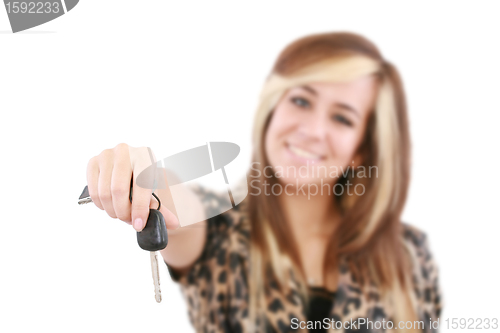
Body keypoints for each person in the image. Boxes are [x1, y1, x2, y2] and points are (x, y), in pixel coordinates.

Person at [85, 31, 442, 333]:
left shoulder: (408, 253)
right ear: (271, 112)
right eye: (301, 100)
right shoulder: (222, 230)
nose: (313, 130)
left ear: (361, 150)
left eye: (342, 118)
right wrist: (143, 173)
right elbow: (179, 206)